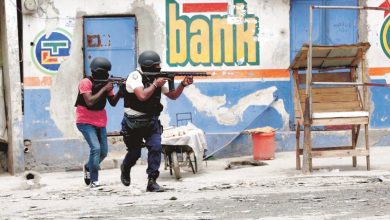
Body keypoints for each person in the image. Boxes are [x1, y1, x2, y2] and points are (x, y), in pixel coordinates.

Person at [120, 50, 193, 192]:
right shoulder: (135, 76)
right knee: (134, 153)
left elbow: (172, 96)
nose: (159, 67)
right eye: (156, 65)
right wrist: (155, 84)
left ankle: (152, 181)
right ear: (148, 66)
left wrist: (182, 85)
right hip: (133, 123)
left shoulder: (158, 78)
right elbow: (141, 96)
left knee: (156, 148)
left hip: (151, 121)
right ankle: (126, 167)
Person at [75, 57, 122, 188]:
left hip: (100, 120)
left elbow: (113, 102)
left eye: (106, 72)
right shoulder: (85, 82)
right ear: (94, 71)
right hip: (84, 120)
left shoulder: (106, 83)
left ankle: (88, 166)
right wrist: (105, 88)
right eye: (102, 72)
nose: (105, 74)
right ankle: (94, 181)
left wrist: (121, 91)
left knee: (103, 152)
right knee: (95, 148)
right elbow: (90, 101)